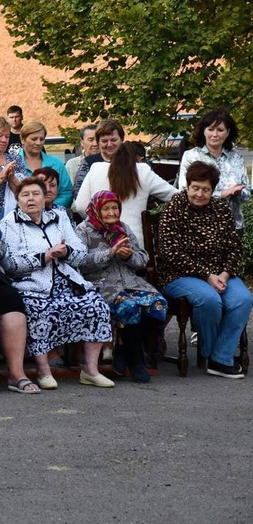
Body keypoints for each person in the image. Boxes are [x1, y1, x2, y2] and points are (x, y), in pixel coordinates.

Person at [0, 178, 114, 389]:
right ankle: (44, 371)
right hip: (33, 286)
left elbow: (80, 253)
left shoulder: (60, 217)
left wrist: (66, 252)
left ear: (45, 198)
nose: (31, 198)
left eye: (36, 194)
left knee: (95, 304)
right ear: (18, 200)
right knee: (37, 309)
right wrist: (44, 256)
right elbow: (9, 263)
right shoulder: (9, 224)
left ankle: (90, 370)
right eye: (25, 195)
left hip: (67, 281)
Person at [157, 162, 252, 378]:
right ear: (187, 186)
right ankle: (210, 354)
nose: (200, 194)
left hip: (220, 273)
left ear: (213, 190)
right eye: (195, 188)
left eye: (206, 189)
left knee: (243, 299)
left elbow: (234, 247)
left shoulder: (220, 209)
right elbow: (170, 252)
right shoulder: (174, 208)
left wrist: (225, 274)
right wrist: (207, 275)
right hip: (180, 274)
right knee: (209, 300)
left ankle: (220, 357)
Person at [76, 191, 167, 382]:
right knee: (129, 306)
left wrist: (128, 256)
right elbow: (80, 262)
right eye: (106, 209)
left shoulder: (123, 228)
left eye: (114, 208)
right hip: (101, 284)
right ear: (96, 210)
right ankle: (137, 362)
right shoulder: (83, 230)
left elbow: (142, 258)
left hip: (131, 282)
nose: (111, 213)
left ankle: (124, 350)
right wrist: (110, 253)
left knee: (159, 305)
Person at [74, 140, 176, 243]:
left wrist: (98, 221)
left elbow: (80, 206)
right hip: (134, 240)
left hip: (99, 239)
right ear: (137, 158)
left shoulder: (96, 168)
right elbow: (175, 196)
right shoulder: (143, 170)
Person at [177, 109, 250, 229]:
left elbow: (246, 194)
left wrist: (237, 192)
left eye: (220, 130)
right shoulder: (191, 156)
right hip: (200, 226)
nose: (215, 134)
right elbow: (184, 192)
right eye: (210, 129)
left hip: (233, 226)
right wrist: (223, 194)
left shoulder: (236, 157)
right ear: (204, 131)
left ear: (228, 132)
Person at [18, 121, 73, 209]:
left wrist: (49, 208)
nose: (38, 143)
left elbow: (66, 193)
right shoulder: (12, 164)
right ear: (22, 139)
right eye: (34, 139)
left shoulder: (57, 163)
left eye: (42, 139)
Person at [73, 119, 125, 198]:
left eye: (114, 140)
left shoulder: (133, 160)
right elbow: (78, 192)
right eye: (104, 141)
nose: (109, 144)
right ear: (98, 142)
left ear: (121, 139)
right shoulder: (88, 162)